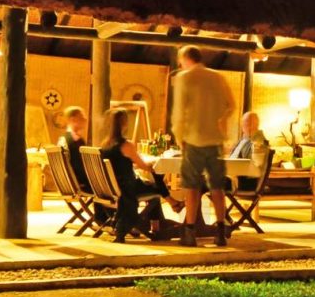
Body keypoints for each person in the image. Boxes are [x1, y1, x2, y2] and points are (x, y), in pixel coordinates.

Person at [167, 46, 235, 247]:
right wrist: (220, 122)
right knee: (217, 187)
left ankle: (189, 233)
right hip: (215, 140)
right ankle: (220, 232)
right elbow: (231, 105)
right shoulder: (218, 77)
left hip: (193, 140)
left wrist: (179, 138)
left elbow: (179, 113)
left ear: (184, 59)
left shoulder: (184, 78)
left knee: (192, 187)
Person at [97, 105, 168, 242]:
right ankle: (159, 224)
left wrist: (136, 164)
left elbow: (119, 164)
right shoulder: (126, 145)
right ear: (123, 123)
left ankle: (173, 204)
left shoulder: (105, 144)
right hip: (126, 190)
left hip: (111, 189)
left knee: (154, 184)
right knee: (156, 185)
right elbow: (145, 167)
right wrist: (152, 165)